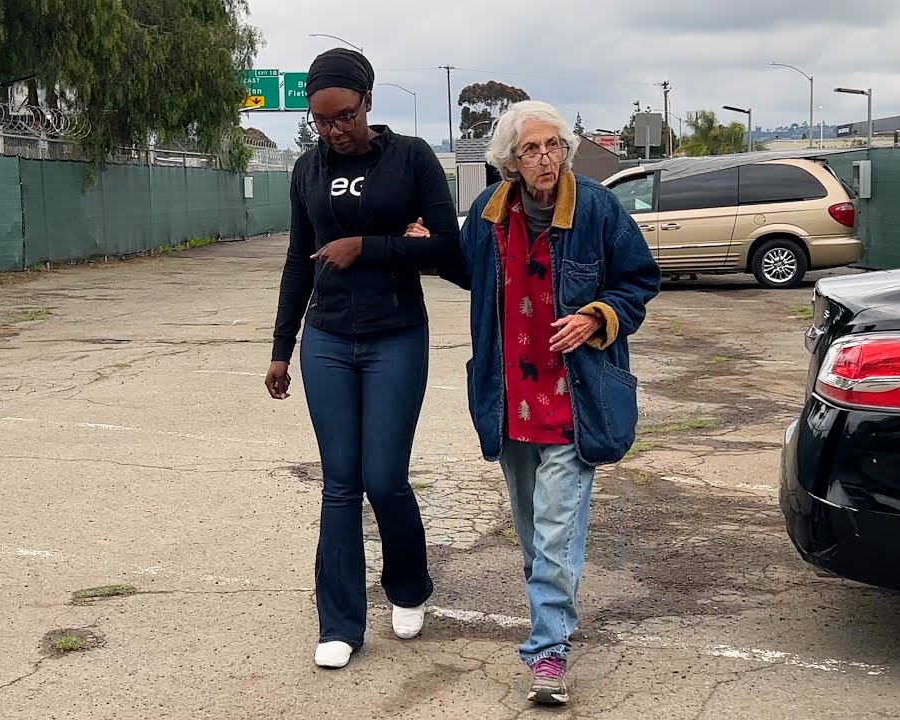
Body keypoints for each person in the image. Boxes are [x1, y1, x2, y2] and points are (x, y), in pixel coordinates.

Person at [409, 100, 660, 703]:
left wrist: (598, 317)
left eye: (552, 146)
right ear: (510, 161)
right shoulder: (487, 215)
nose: (544, 158)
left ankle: (548, 652)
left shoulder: (597, 208)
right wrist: (429, 248)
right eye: (530, 149)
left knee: (553, 534)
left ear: (565, 151)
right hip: (509, 399)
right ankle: (553, 621)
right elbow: (472, 273)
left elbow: (639, 280)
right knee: (533, 535)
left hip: (574, 400)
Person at [264, 48, 460, 670]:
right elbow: (300, 259)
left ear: (368, 103)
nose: (334, 130)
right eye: (321, 121)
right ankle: (341, 623)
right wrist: (281, 349)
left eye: (344, 116)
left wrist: (366, 247)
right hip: (326, 338)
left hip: (396, 334)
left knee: (385, 478)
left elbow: (446, 246)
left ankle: (408, 588)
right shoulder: (306, 169)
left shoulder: (411, 158)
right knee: (340, 483)